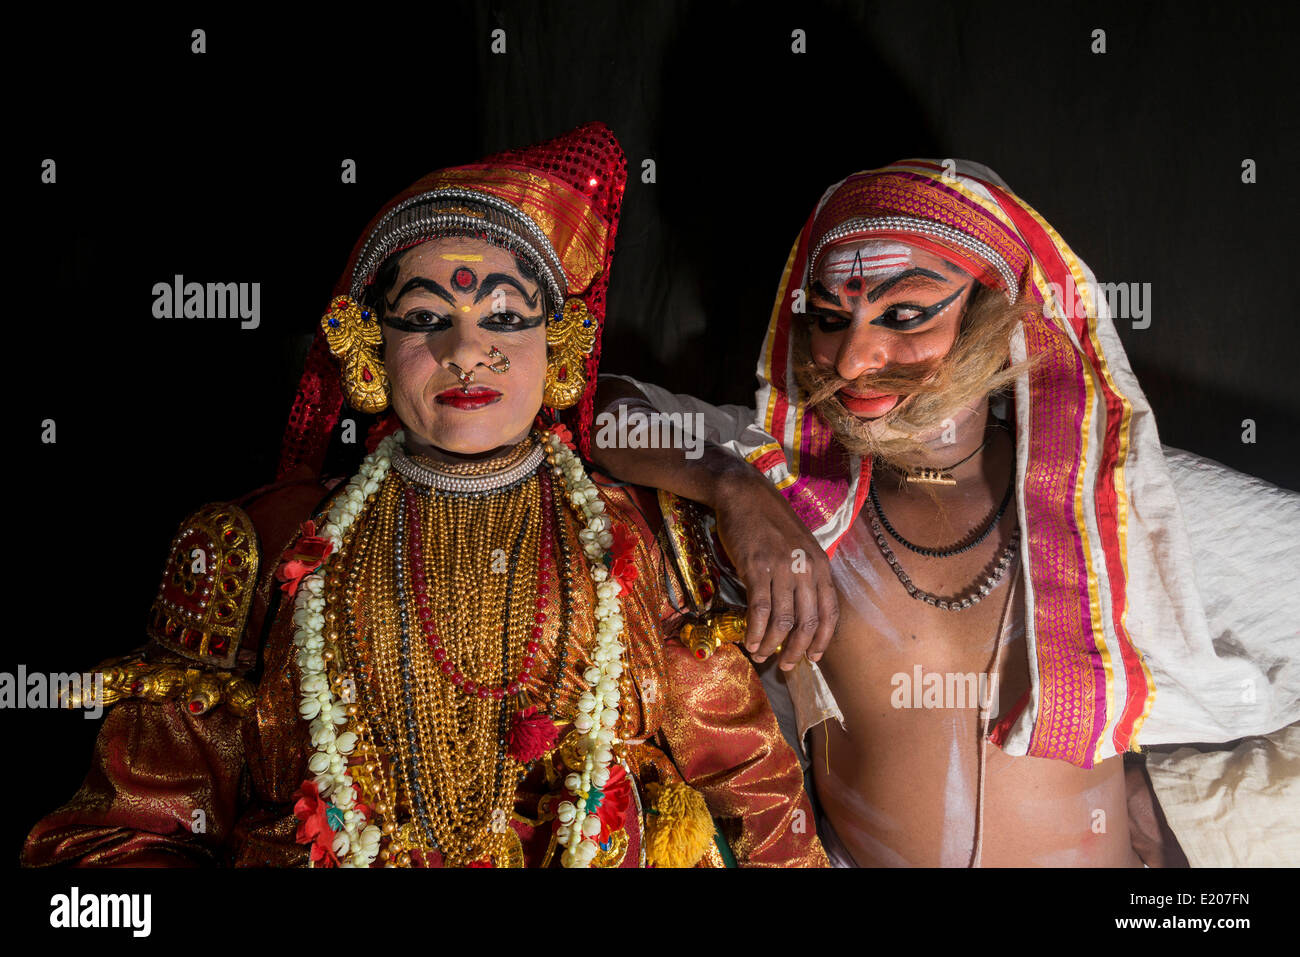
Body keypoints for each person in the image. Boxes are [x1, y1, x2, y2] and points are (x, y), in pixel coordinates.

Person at [22, 123, 827, 868]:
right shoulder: (261, 546)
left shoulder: (635, 538)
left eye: (507, 317)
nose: (467, 350)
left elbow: (755, 789)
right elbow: (125, 830)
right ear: (371, 346)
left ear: (561, 344)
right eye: (425, 317)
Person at [591, 159, 1300, 866]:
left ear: (993, 310)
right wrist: (734, 488)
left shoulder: (1113, 494)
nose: (853, 358)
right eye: (832, 320)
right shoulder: (796, 483)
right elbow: (598, 406)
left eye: (904, 314)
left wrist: (1169, 797)